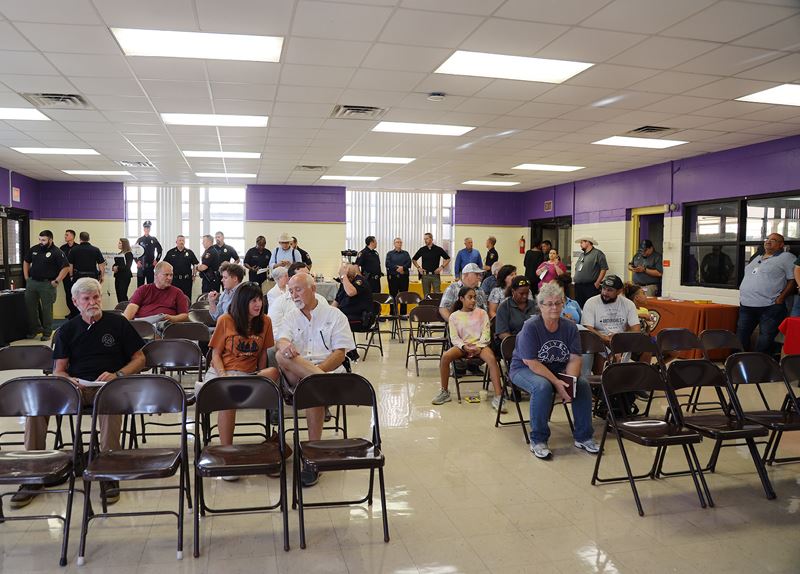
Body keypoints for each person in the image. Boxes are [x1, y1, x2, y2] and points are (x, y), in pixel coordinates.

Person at [11, 277, 146, 508]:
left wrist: (119, 375)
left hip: (109, 386)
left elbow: (140, 358)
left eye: (96, 297)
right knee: (37, 405)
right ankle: (33, 473)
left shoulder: (118, 324)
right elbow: (59, 371)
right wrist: (69, 380)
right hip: (78, 387)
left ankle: (109, 470)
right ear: (75, 301)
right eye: (86, 299)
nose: (92, 302)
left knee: (110, 400)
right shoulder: (67, 330)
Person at [275, 272, 356, 486]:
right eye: (291, 291)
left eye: (298, 289)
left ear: (313, 289)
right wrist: (285, 346)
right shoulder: (292, 316)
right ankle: (315, 380)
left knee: (311, 388)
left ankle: (312, 458)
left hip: (329, 372)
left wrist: (314, 372)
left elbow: (340, 354)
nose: (294, 295)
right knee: (279, 355)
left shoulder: (335, 315)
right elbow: (281, 339)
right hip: (302, 373)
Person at [509, 282, 598, 460]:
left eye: (558, 303)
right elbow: (531, 362)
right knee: (542, 386)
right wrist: (557, 383)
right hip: (524, 369)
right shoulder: (531, 327)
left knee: (581, 384)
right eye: (549, 304)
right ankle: (538, 440)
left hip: (557, 368)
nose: (554, 307)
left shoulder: (570, 327)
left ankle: (584, 436)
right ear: (540, 306)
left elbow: (574, 358)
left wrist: (569, 383)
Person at [202, 282, 280, 461]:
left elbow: (261, 354)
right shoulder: (226, 320)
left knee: (273, 373)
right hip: (224, 372)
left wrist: (260, 375)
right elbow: (215, 354)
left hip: (248, 375)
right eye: (252, 300)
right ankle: (227, 453)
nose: (258, 304)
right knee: (229, 399)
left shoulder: (265, 321)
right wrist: (223, 376)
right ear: (242, 302)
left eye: (260, 299)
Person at [431, 286, 505, 412]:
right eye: (470, 297)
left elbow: (486, 333)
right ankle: (444, 392)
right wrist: (464, 347)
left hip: (480, 345)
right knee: (445, 357)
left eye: (474, 297)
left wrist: (479, 347)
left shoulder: (482, 313)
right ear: (461, 299)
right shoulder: (454, 316)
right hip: (462, 346)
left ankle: (499, 396)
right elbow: (454, 337)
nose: (473, 300)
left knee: (492, 359)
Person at [737, 233, 795, 353]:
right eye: (767, 239)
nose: (768, 241)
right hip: (747, 304)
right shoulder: (757, 257)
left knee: (766, 339)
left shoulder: (787, 257)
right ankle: (739, 363)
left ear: (781, 245)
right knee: (741, 336)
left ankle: (760, 366)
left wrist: (781, 298)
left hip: (770, 306)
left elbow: (792, 280)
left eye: (773, 240)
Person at [23, 230, 70, 341]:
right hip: (32, 282)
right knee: (30, 307)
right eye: (40, 239)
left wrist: (57, 280)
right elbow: (26, 261)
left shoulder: (56, 252)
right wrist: (26, 277)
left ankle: (47, 332)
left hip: (47, 284)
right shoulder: (34, 249)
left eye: (43, 240)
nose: (41, 242)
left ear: (50, 240)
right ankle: (35, 329)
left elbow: (66, 267)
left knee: (47, 309)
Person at [123, 261, 190, 334]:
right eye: (166, 275)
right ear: (156, 275)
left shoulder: (177, 292)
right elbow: (131, 309)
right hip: (143, 329)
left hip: (167, 329)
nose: (170, 278)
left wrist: (171, 318)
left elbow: (185, 315)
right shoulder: (143, 289)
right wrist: (124, 327)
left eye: (171, 275)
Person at [581, 275, 641, 346]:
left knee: (646, 350)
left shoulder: (628, 304)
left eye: (609, 290)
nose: (605, 293)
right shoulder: (591, 302)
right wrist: (603, 337)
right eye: (603, 288)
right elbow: (587, 328)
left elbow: (636, 329)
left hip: (622, 339)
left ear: (619, 291)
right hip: (599, 339)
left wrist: (622, 339)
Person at [268, 263, 328, 334]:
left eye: (309, 275)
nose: (308, 279)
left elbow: (328, 325)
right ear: (290, 280)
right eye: (302, 277)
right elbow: (273, 330)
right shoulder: (279, 303)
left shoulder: (320, 300)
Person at [67, 232, 106, 317]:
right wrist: (102, 276)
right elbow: (101, 264)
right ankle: (94, 315)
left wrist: (71, 276)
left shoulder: (74, 250)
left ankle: (78, 316)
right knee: (93, 295)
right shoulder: (95, 249)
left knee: (79, 296)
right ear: (89, 238)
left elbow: (70, 265)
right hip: (92, 277)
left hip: (78, 277)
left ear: (80, 239)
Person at [495, 276, 537, 340]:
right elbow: (502, 333)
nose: (525, 296)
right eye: (521, 293)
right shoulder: (504, 308)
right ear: (513, 291)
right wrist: (519, 341)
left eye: (527, 293)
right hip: (513, 343)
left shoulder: (534, 305)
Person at [332, 262, 372, 327]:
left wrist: (344, 276)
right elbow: (336, 301)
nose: (341, 279)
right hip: (346, 314)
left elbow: (350, 292)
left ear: (350, 277)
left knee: (336, 322)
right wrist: (328, 312)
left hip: (360, 317)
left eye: (341, 277)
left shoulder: (360, 281)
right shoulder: (344, 283)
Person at [572, 236, 608, 308]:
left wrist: (597, 282)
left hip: (590, 286)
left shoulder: (598, 253)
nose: (580, 245)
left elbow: (604, 268)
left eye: (582, 242)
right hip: (578, 286)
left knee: (590, 307)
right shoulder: (582, 254)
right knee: (579, 307)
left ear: (588, 242)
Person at [163, 235, 199, 302]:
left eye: (183, 240)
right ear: (176, 242)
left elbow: (195, 264)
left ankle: (186, 311)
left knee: (186, 299)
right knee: (174, 298)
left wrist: (194, 275)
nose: (181, 242)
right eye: (180, 240)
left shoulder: (189, 252)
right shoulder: (170, 252)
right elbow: (165, 264)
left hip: (186, 280)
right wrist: (166, 276)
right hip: (174, 280)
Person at [385, 237, 411, 315]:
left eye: (400, 242)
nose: (399, 243)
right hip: (393, 278)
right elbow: (387, 264)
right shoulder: (390, 253)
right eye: (397, 242)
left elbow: (409, 263)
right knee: (393, 295)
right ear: (394, 244)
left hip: (404, 278)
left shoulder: (406, 253)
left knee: (403, 295)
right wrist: (397, 268)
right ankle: (393, 313)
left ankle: (403, 314)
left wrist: (403, 268)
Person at [135, 220, 162, 287]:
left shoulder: (153, 239)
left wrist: (156, 260)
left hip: (150, 266)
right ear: (143, 229)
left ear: (150, 229)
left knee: (151, 286)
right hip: (141, 267)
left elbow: (160, 250)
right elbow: (133, 252)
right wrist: (137, 261)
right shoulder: (140, 240)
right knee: (140, 287)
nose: (147, 229)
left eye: (148, 228)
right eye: (146, 227)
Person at [60, 229, 78, 318]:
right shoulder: (63, 248)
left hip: (76, 275)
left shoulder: (78, 247)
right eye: (65, 235)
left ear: (72, 236)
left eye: (67, 235)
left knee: (76, 294)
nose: (65, 236)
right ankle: (72, 312)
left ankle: (77, 313)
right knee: (68, 294)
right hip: (66, 275)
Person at [113, 238, 134, 303]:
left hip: (125, 277)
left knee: (123, 296)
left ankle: (125, 311)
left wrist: (118, 268)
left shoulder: (129, 254)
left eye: (120, 243)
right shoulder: (119, 253)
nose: (118, 244)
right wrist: (113, 267)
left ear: (124, 244)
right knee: (118, 295)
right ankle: (120, 311)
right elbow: (116, 264)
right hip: (118, 276)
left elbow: (128, 266)